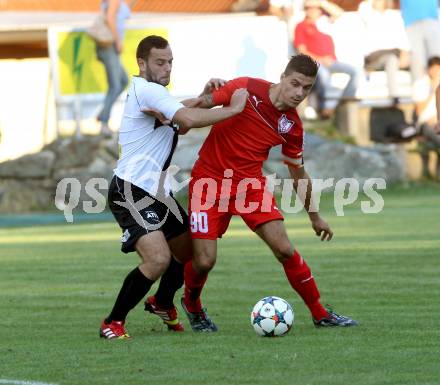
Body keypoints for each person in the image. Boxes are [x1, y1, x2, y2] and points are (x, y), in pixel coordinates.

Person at [179, 54, 358, 332]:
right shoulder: (244, 88)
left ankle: (321, 313)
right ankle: (192, 305)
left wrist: (315, 217)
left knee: (285, 249)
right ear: (283, 77)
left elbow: (298, 173)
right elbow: (185, 114)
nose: (299, 93)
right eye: (295, 84)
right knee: (204, 260)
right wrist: (202, 96)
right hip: (209, 184)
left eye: (307, 88)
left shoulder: (292, 126)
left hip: (250, 188)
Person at [99, 35, 248, 339]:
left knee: (188, 248)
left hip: (156, 194)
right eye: (159, 62)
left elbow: (178, 110)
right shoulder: (147, 89)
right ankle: (112, 323)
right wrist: (232, 110)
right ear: (142, 63)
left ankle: (162, 303)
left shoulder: (151, 93)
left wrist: (203, 95)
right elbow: (187, 119)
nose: (167, 68)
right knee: (157, 259)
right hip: (131, 191)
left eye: (170, 62)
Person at [294, 0, 359, 118]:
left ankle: (344, 102)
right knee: (323, 74)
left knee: (355, 71)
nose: (311, 10)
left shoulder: (324, 22)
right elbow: (302, 51)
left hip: (332, 62)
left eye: (314, 7)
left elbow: (339, 14)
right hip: (314, 63)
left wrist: (322, 2)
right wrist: (321, 59)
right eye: (308, 7)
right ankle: (328, 109)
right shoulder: (301, 26)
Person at [358, 0, 410, 102]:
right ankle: (394, 97)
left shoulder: (395, 15)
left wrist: (405, 52)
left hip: (396, 53)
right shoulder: (366, 11)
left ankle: (425, 101)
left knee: (419, 60)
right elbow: (366, 7)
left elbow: (403, 37)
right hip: (375, 57)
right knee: (391, 59)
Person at [95, 0, 132, 137]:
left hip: (109, 47)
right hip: (109, 45)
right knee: (115, 85)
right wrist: (118, 41)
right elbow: (110, 18)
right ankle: (104, 123)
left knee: (123, 80)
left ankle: (103, 113)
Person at [399, 0, 440, 86]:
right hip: (410, 23)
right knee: (418, 63)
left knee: (436, 61)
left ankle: (436, 92)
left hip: (432, 20)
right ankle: (420, 94)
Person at [413, 56, 440, 178]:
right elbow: (419, 111)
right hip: (424, 123)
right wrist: (432, 90)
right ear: (428, 69)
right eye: (434, 69)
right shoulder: (420, 84)